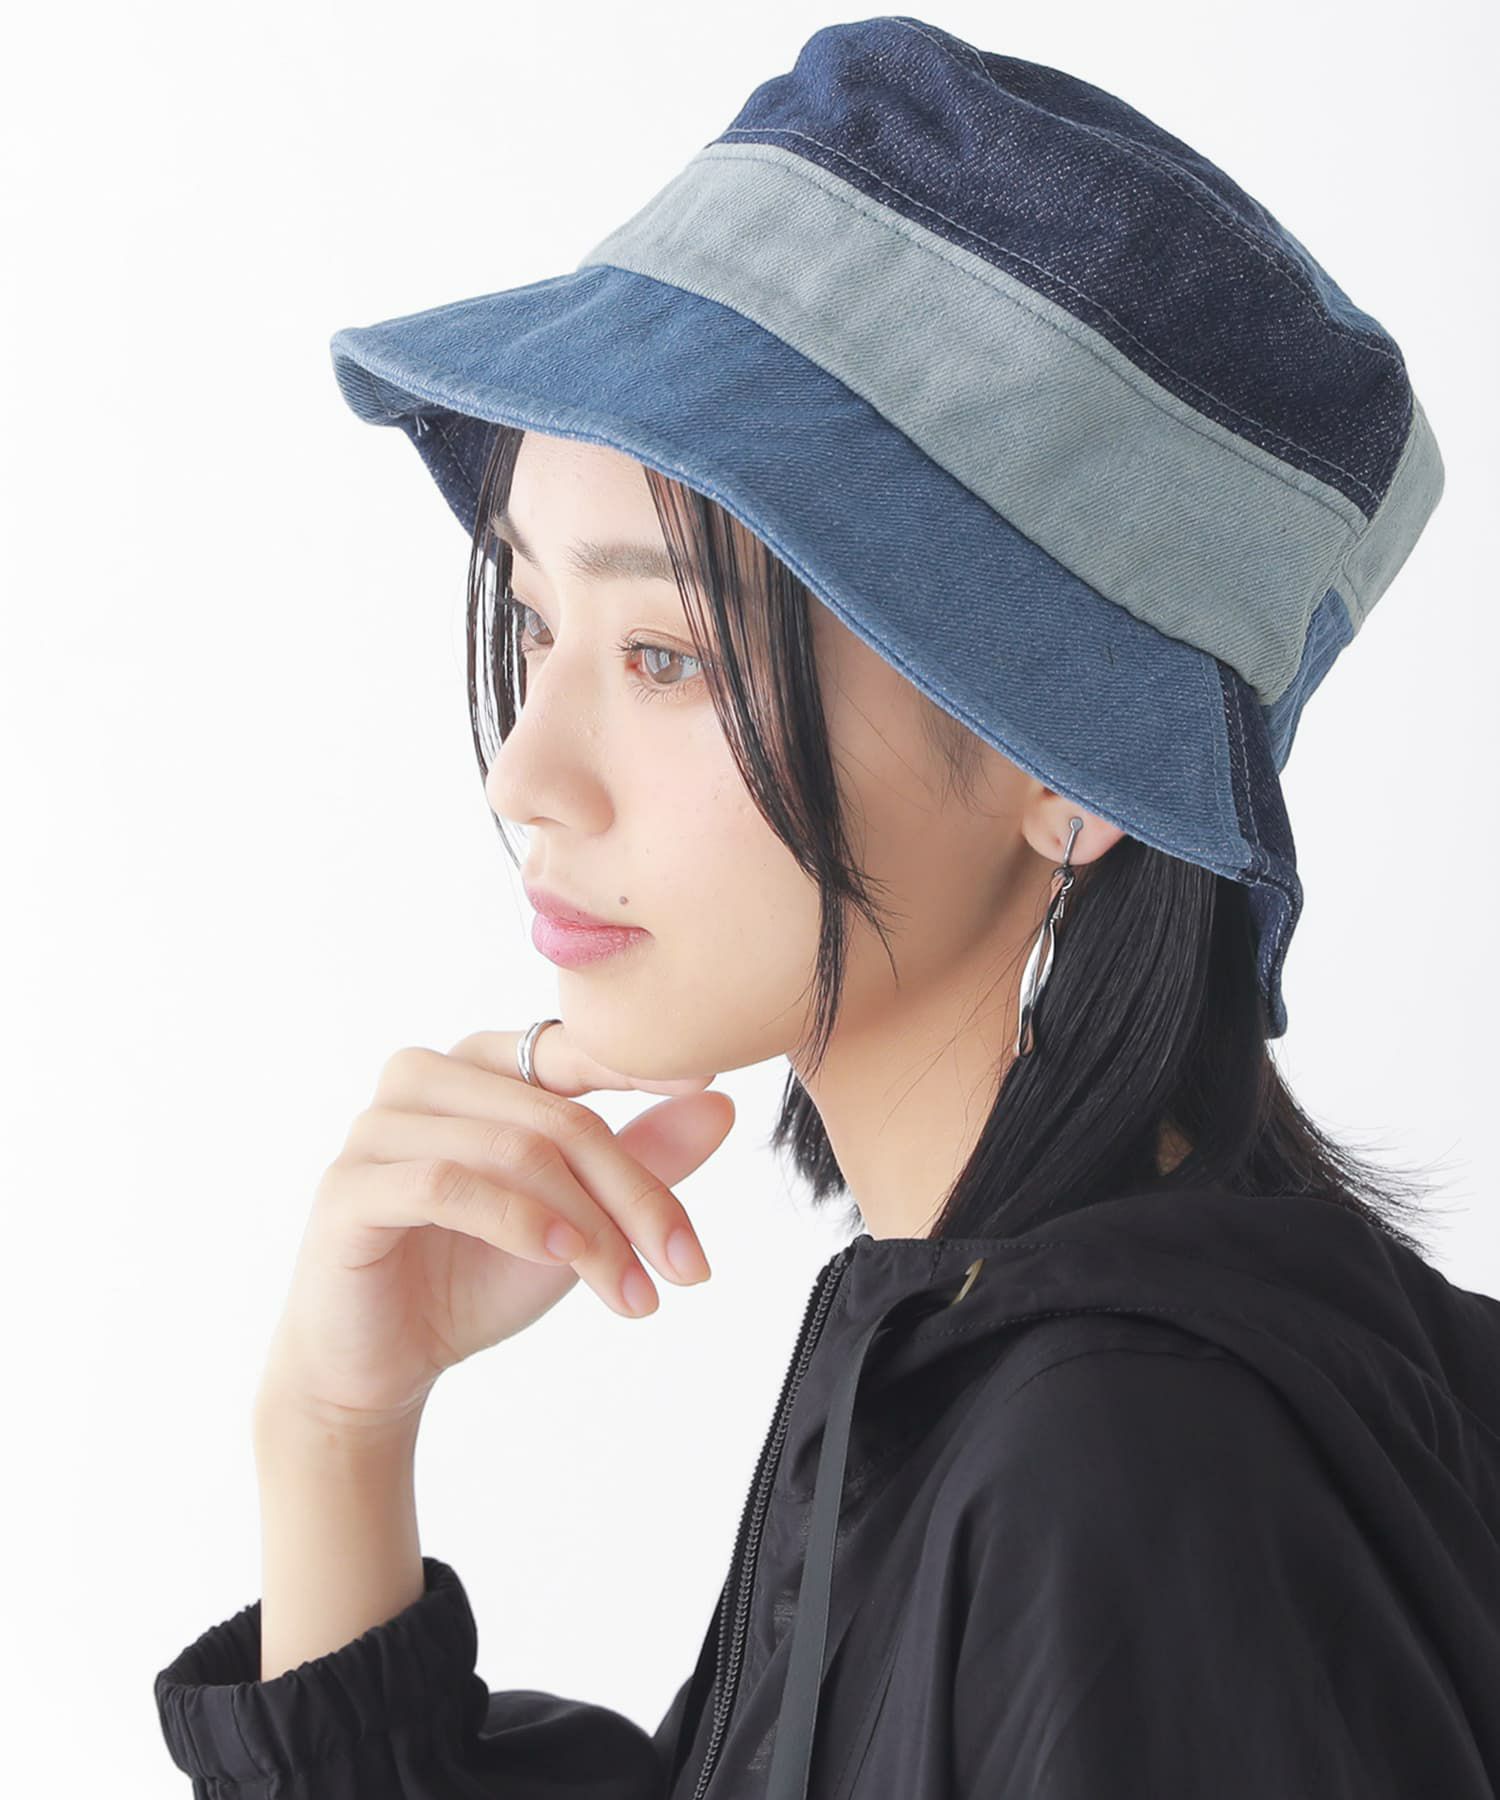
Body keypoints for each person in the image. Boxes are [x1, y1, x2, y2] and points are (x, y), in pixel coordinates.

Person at [156, 16, 1499, 1798]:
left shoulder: (1121, 1460)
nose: (526, 773)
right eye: (535, 624)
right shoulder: (1011, 1359)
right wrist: (336, 1436)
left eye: (665, 654)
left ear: (1071, 770)